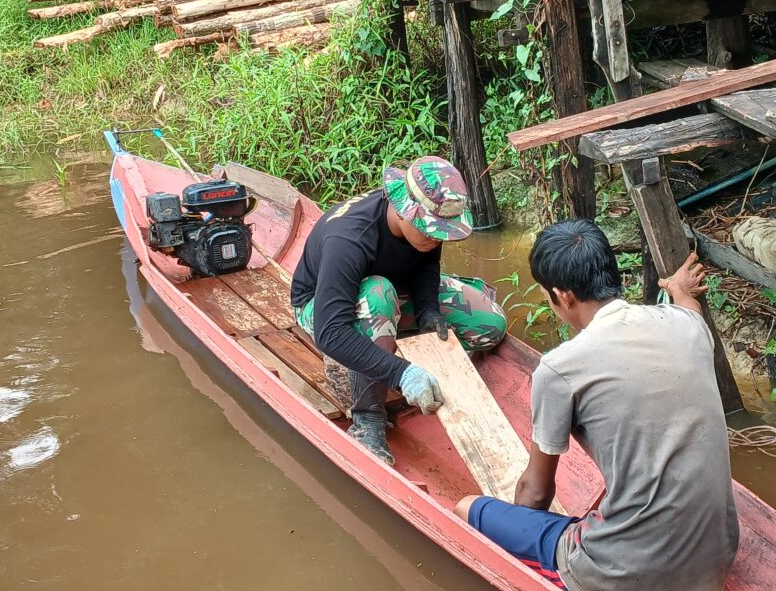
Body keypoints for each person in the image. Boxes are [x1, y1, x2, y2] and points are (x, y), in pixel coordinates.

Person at [455, 220, 739, 591]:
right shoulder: (687, 325)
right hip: (719, 555)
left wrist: (524, 528)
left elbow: (536, 493)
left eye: (547, 297)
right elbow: (689, 307)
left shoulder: (560, 369)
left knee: (465, 508)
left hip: (623, 573)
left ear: (563, 295)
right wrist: (679, 289)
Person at [290, 156, 507, 466]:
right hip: (321, 305)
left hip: (391, 291)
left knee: (489, 323)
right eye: (432, 231)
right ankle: (367, 419)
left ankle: (396, 350)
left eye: (442, 233)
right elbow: (330, 331)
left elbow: (426, 265)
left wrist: (429, 311)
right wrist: (401, 373)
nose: (437, 239)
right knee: (379, 293)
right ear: (404, 211)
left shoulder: (425, 234)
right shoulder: (348, 239)